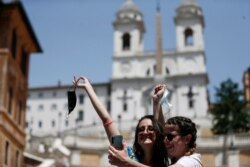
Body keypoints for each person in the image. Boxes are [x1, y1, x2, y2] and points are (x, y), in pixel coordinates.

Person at [73, 76, 168, 167]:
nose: (145, 132)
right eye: (141, 129)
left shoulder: (163, 155)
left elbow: (160, 128)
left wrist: (156, 101)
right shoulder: (127, 153)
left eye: (150, 129)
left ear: (157, 134)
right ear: (136, 136)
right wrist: (89, 89)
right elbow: (107, 120)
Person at [108, 84, 203, 167]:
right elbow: (159, 128)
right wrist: (156, 101)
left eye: (170, 137)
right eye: (164, 136)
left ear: (187, 139)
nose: (165, 140)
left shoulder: (190, 161)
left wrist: (126, 162)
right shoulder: (175, 157)